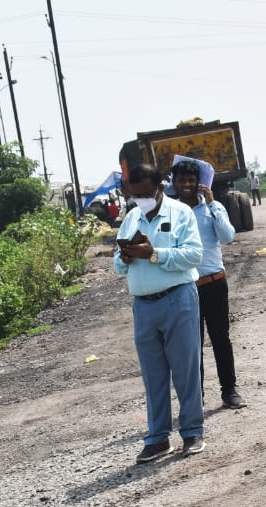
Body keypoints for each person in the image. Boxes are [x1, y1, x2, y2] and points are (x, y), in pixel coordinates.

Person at [114, 163, 206, 462]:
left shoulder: (181, 213)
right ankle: (157, 437)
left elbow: (193, 255)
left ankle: (192, 432)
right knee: (153, 375)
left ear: (160, 188)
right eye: (134, 194)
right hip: (143, 305)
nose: (140, 199)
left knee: (185, 369)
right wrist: (126, 256)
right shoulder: (130, 219)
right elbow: (117, 264)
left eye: (145, 193)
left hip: (177, 299)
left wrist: (153, 254)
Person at [171, 159, 246, 409]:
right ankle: (196, 398)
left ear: (199, 182)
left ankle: (230, 391)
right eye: (181, 180)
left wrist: (213, 204)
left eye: (191, 180)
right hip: (185, 286)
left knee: (221, 338)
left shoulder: (214, 208)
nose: (187, 184)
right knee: (192, 344)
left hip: (214, 283)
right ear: (175, 183)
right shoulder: (172, 212)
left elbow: (227, 237)